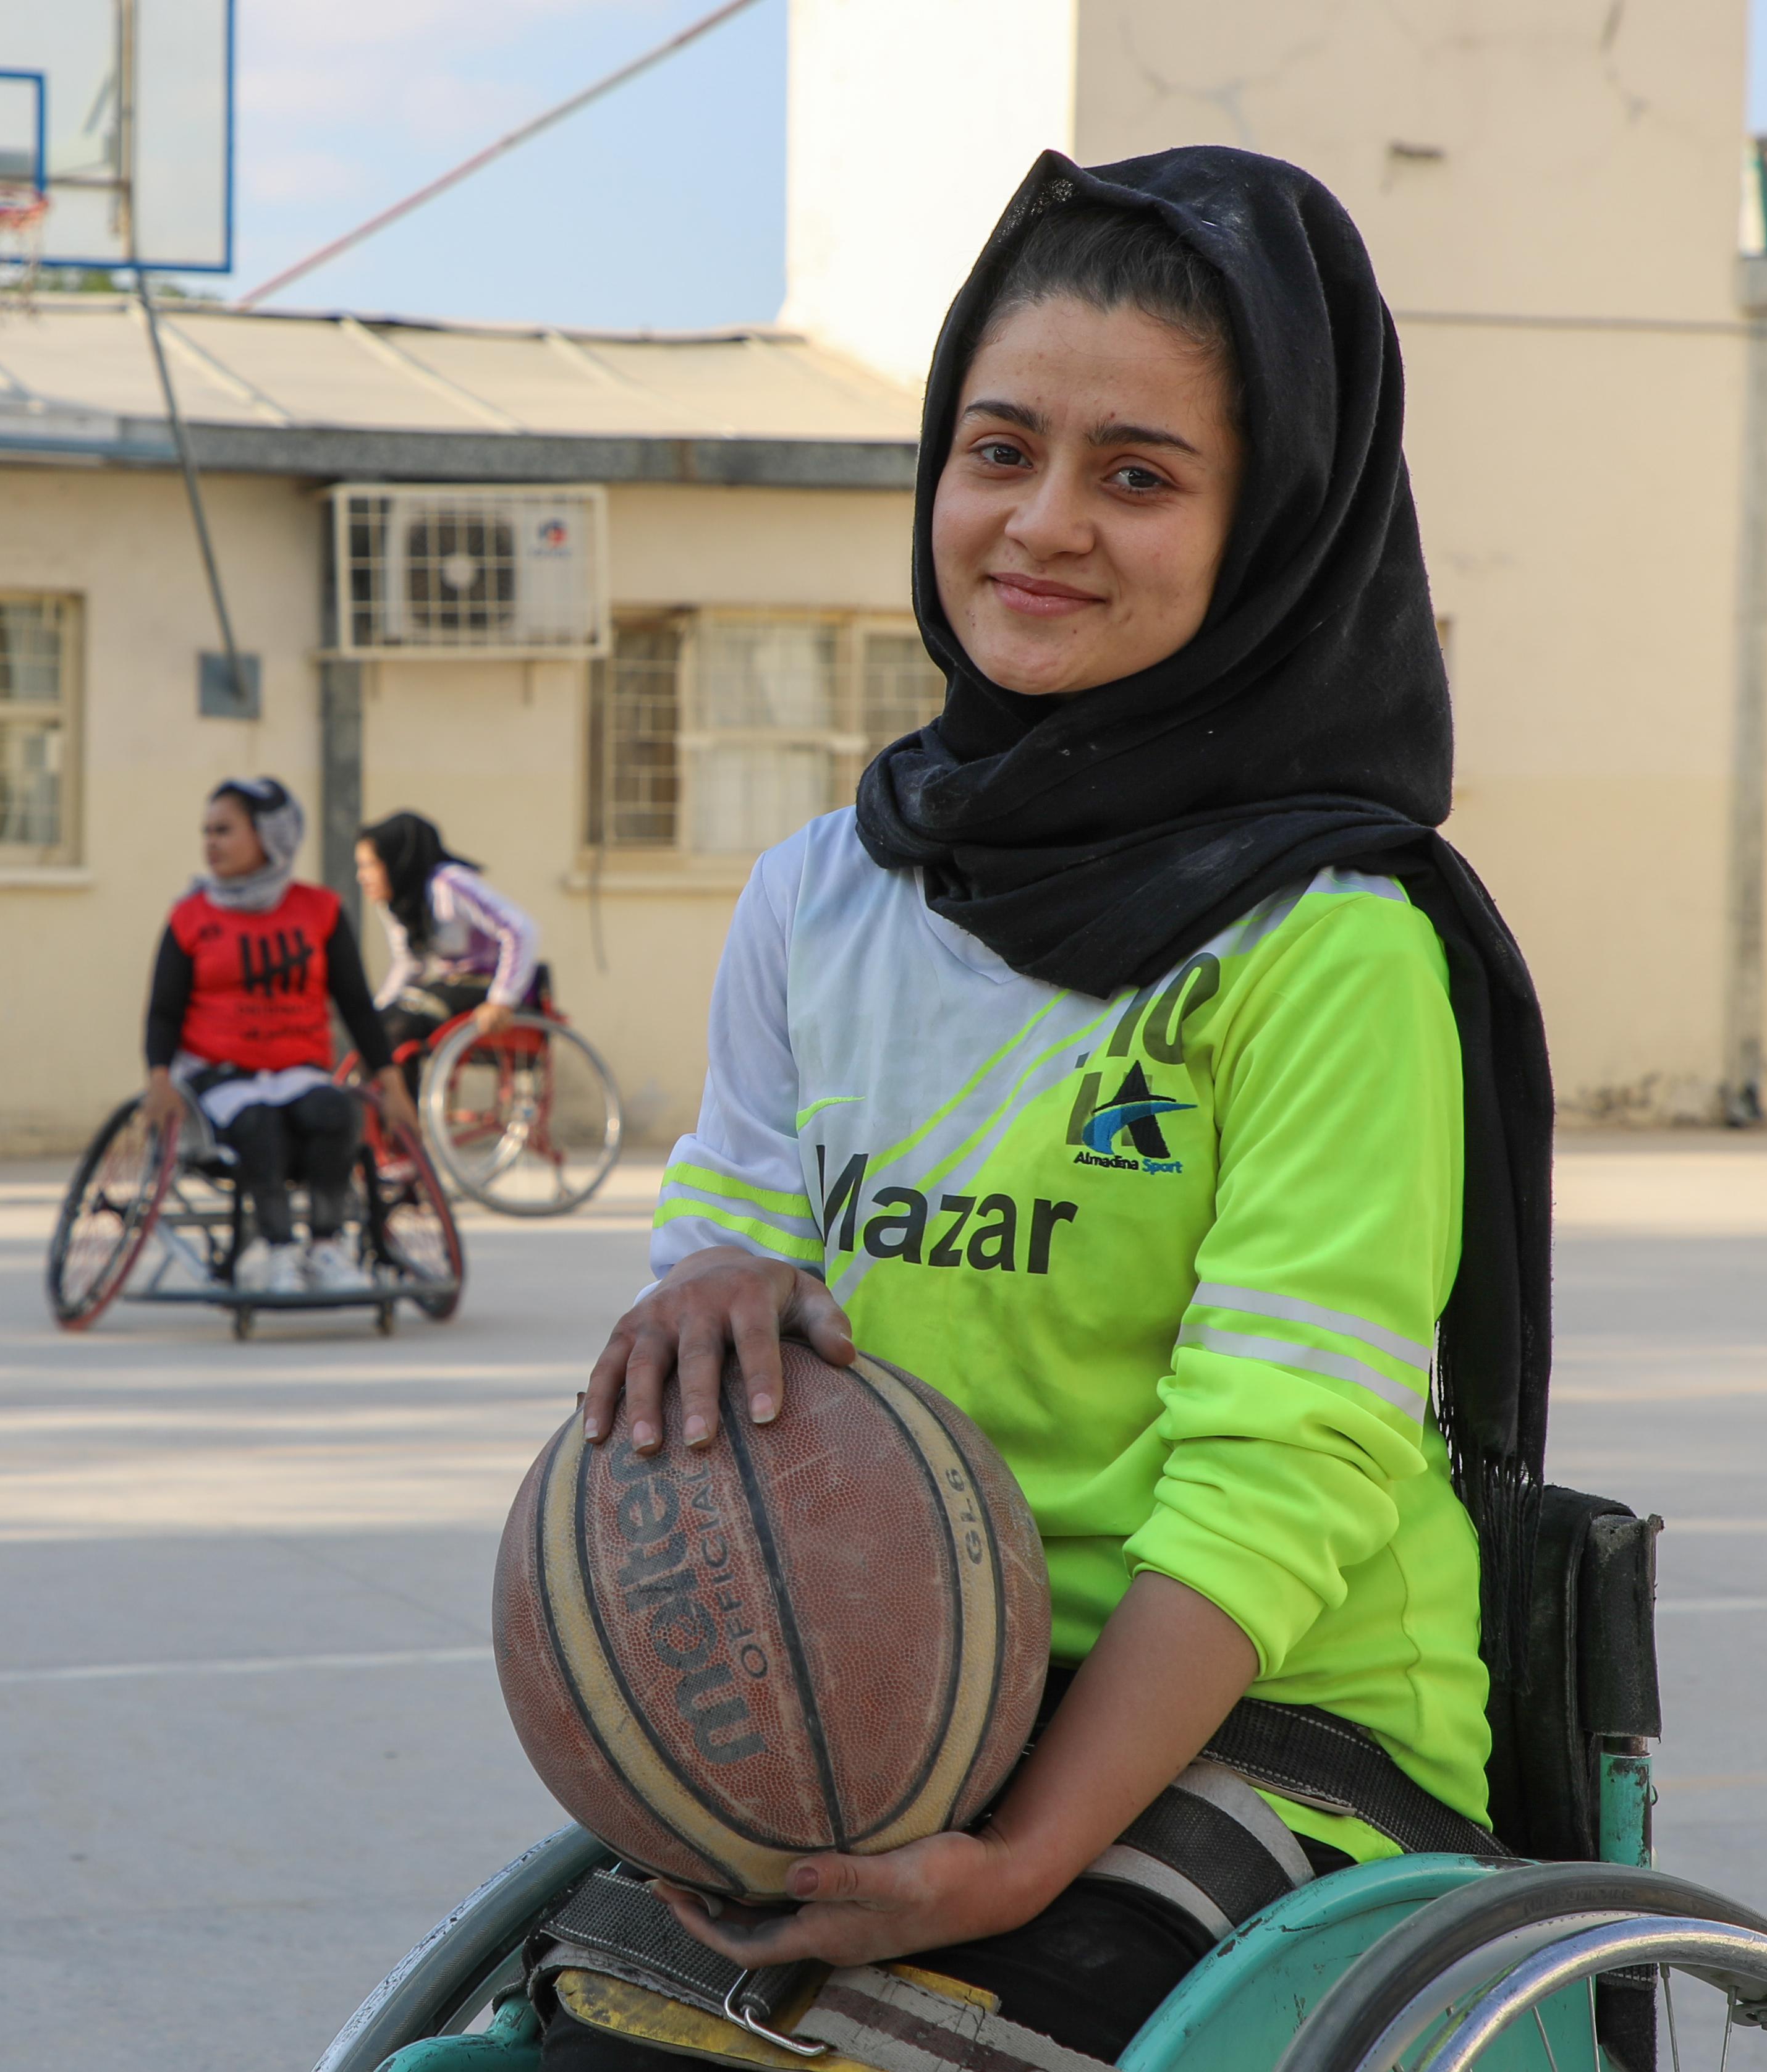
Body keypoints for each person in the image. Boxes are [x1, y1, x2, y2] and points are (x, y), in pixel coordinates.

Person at [562, 148, 1557, 2065]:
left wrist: (1018, 1851)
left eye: (1138, 474)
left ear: (1273, 527)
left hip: (1272, 1729)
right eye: (998, 446)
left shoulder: (1328, 948)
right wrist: (690, 1303)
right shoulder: (817, 896)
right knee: (580, 2027)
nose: (1040, 523)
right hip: (895, 1687)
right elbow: (733, 1266)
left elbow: (1285, 1458)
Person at [144, 776, 396, 1295]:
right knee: (259, 1124)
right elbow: (164, 1010)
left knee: (336, 1113)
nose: (210, 842)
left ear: (270, 836)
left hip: (296, 1070)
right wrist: (158, 1077)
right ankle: (278, 1252)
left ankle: (326, 1248)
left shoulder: (318, 910)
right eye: (206, 831)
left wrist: (391, 1082)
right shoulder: (189, 917)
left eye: (224, 830)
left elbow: (355, 1004)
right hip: (217, 1074)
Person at [355, 809, 543, 1096]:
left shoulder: (450, 885)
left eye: (369, 866)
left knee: (402, 1027)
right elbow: (410, 964)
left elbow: (521, 930)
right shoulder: (401, 901)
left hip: (491, 986)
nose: (361, 877)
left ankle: (408, 1126)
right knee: (378, 1029)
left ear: (397, 861)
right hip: (452, 988)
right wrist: (378, 1011)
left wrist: (501, 1000)